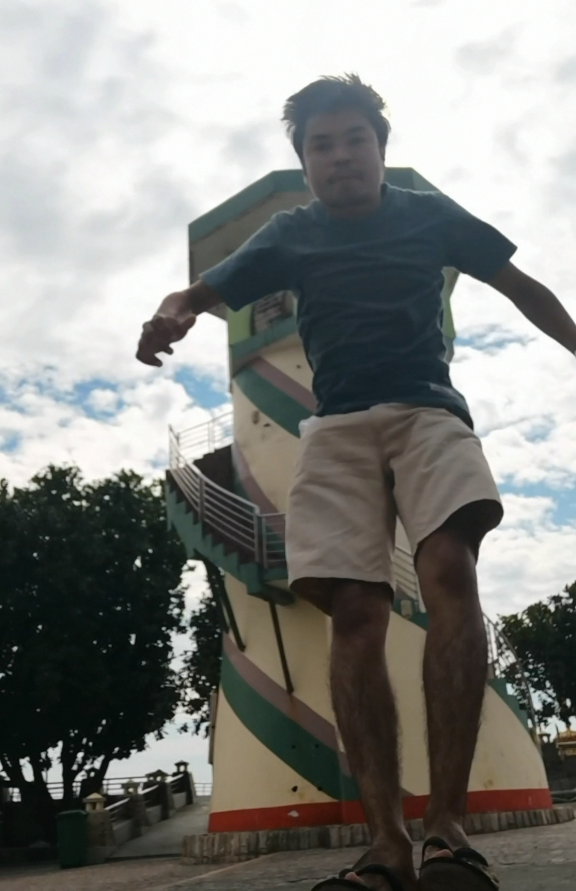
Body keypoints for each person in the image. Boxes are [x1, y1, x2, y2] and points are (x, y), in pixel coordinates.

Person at [136, 76, 576, 891]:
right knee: (355, 610)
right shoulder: (287, 234)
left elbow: (520, 286)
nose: (340, 156)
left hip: (429, 413)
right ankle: (384, 843)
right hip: (332, 428)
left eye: (354, 140)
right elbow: (198, 293)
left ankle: (447, 828)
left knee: (447, 572)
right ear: (304, 163)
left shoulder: (429, 216)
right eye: (321, 146)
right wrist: (171, 314)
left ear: (381, 146)